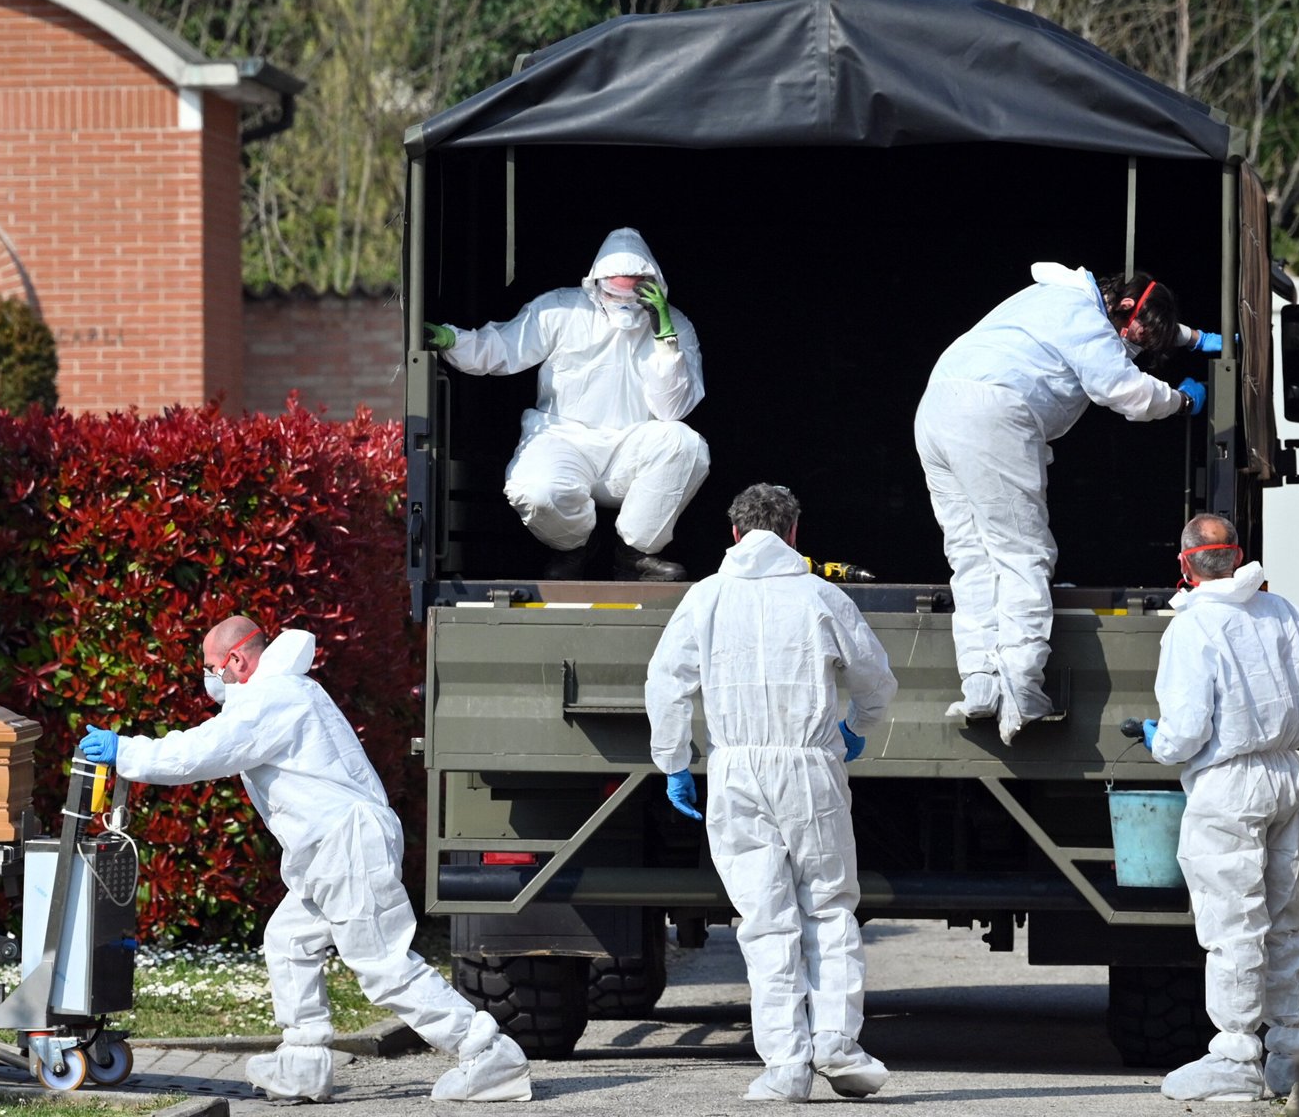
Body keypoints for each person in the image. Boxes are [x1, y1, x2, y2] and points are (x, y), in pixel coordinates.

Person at [78, 616, 532, 1104]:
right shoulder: (285, 692)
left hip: (345, 845)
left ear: (236, 659)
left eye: (212, 667)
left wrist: (125, 751)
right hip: (332, 849)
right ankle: (303, 1062)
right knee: (288, 940)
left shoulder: (274, 696)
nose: (211, 678)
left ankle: (487, 1054)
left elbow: (201, 752)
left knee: (381, 962)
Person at [643, 483, 899, 1102]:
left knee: (764, 917)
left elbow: (666, 682)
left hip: (734, 770)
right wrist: (856, 726)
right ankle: (836, 1041)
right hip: (810, 766)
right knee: (828, 906)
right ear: (793, 533)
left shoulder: (705, 597)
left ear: (734, 533)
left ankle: (785, 1066)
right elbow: (875, 679)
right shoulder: (821, 595)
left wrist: (674, 762)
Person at [916, 264, 1221, 742]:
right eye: (1136, 337)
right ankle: (1021, 691)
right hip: (991, 412)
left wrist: (1193, 338)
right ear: (1122, 308)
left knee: (971, 555)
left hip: (936, 410)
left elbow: (1139, 321)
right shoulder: (1083, 316)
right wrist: (1180, 401)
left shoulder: (1056, 297)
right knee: (1022, 554)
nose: (1134, 347)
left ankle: (981, 686)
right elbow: (1124, 390)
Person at [1140, 514, 1299, 1102]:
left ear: (1185, 564)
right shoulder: (1281, 610)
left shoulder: (1192, 627)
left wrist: (1157, 741)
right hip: (1287, 774)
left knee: (1233, 919)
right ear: (1237, 556)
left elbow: (1184, 732)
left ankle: (1234, 1058)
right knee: (1281, 916)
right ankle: (1291, 1054)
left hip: (1228, 782)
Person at [426, 227, 707, 581]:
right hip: (563, 439)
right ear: (595, 284)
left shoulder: (674, 324)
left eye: (632, 293)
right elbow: (502, 349)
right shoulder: (560, 309)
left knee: (685, 444)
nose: (622, 303)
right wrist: (452, 339)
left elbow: (672, 410)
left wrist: (664, 336)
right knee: (535, 490)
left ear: (652, 287)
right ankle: (575, 547)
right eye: (613, 292)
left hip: (632, 447)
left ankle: (634, 555)